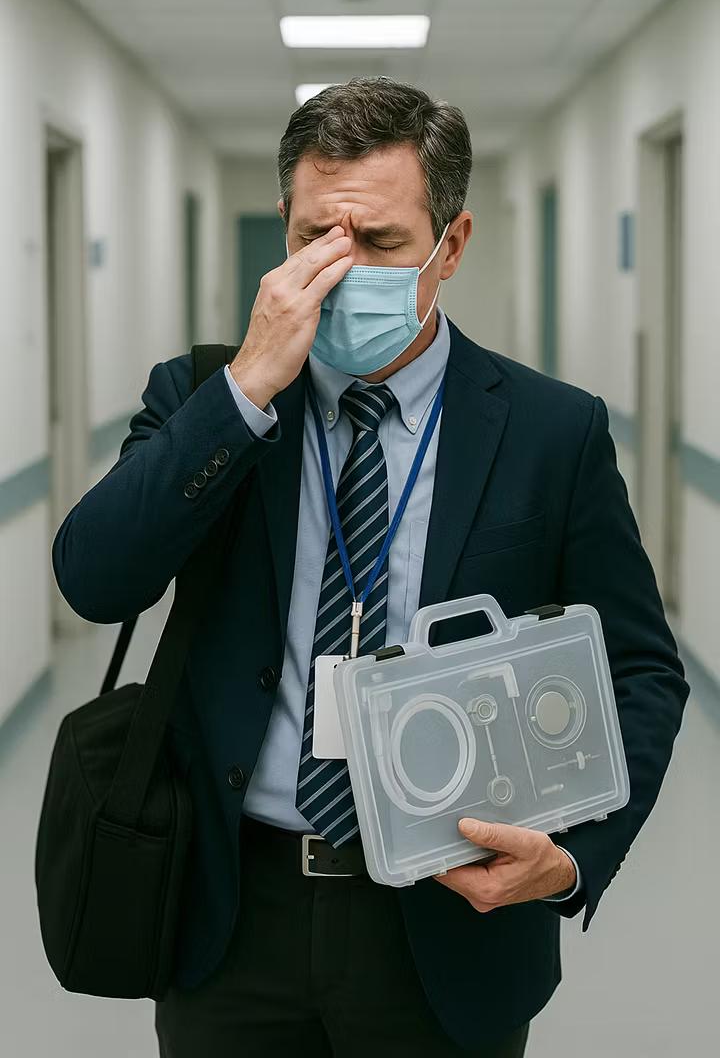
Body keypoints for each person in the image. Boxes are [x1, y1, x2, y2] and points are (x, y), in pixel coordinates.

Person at [52, 77, 689, 1057]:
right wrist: (245, 392)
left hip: (449, 913)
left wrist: (570, 859)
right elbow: (95, 579)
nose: (342, 271)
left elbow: (644, 670)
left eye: (382, 244)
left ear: (452, 245)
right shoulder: (201, 397)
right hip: (229, 911)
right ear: (284, 227)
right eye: (316, 238)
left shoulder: (551, 432)